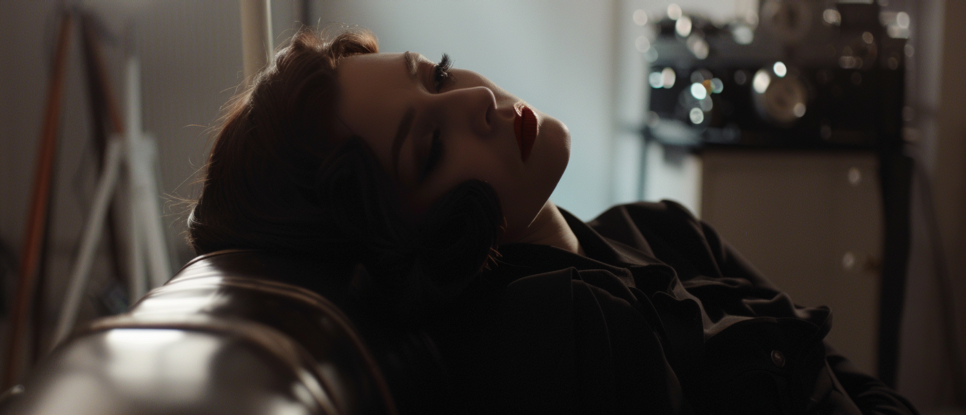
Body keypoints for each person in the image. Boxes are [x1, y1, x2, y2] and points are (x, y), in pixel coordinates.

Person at [187, 28, 918, 415]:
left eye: (437, 72)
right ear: (409, 239)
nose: (475, 101)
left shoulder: (657, 226)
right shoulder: (562, 328)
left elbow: (847, 374)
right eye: (430, 147)